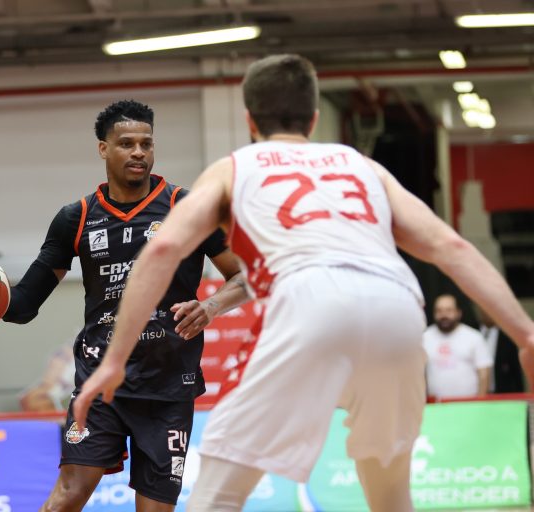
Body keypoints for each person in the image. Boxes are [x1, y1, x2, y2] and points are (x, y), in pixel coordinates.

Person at [73, 55, 534, 512]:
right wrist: (526, 334)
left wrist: (115, 360)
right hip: (397, 304)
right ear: (313, 119)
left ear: (250, 120)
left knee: (217, 496)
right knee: (391, 494)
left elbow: (162, 251)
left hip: (309, 299)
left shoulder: (234, 167)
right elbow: (449, 247)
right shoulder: (361, 165)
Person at [0, 99, 245, 512]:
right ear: (103, 148)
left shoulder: (187, 208)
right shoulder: (75, 218)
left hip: (168, 385)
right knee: (68, 495)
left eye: (147, 144)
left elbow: (244, 276)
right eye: (127, 143)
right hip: (101, 382)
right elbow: (23, 305)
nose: (138, 152)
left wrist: (212, 306)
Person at [423, 294, 492, 399]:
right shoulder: (424, 338)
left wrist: (480, 403)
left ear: (459, 313)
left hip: (468, 404)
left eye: (449, 310)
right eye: (439, 311)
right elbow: (417, 372)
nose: (444, 315)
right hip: (435, 404)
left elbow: (484, 374)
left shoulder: (474, 337)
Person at [476, 305, 525, 393]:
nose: (488, 313)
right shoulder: (471, 332)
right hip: (475, 391)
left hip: (502, 391)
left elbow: (515, 369)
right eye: (485, 309)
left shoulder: (508, 335)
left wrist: (520, 393)